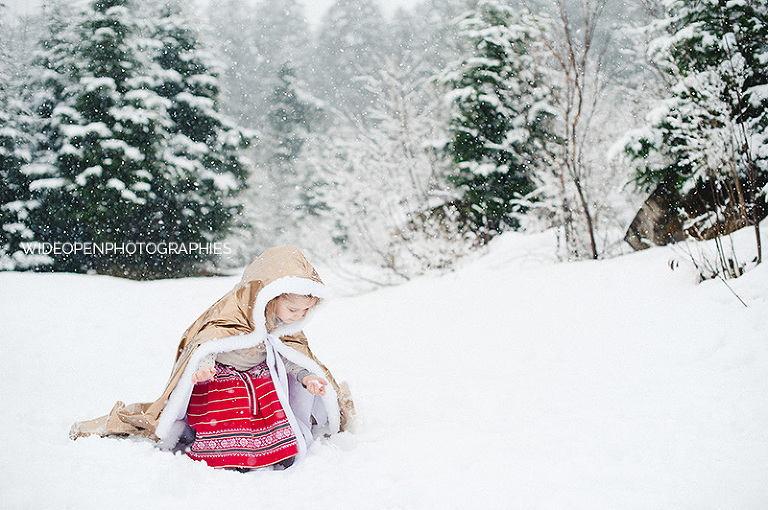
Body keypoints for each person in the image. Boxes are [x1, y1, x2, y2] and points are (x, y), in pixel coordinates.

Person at [70, 246, 355, 470]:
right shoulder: (231, 315)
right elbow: (207, 345)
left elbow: (293, 358)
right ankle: (225, 450)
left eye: (306, 311)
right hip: (222, 377)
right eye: (294, 309)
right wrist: (204, 368)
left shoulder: (285, 328)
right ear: (270, 297)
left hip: (259, 378)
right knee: (234, 403)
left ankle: (269, 450)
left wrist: (307, 378)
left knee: (268, 401)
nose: (300, 317)